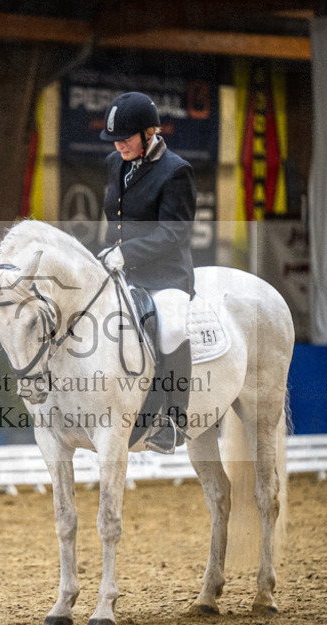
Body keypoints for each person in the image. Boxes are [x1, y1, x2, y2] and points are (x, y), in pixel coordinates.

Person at [97, 91, 195, 453]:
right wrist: (107, 252)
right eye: (115, 139)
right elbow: (116, 218)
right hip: (123, 269)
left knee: (171, 328)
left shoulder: (176, 171)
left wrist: (126, 253)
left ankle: (173, 421)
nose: (119, 145)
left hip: (166, 275)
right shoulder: (115, 162)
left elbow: (175, 233)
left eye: (125, 138)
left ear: (149, 132)